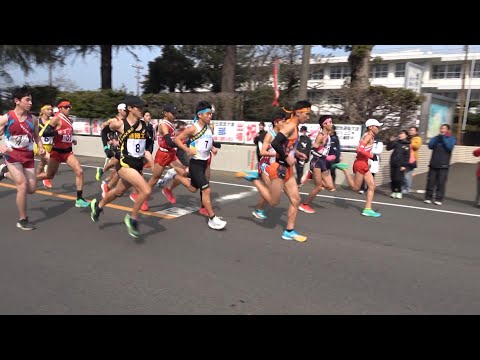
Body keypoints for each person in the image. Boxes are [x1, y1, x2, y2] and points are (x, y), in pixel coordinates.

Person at [236, 100, 312, 242]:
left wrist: (297, 154)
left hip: (287, 169)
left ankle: (289, 231)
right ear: (298, 112)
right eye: (307, 114)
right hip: (278, 169)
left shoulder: (295, 126)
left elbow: (287, 147)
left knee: (296, 200)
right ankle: (254, 180)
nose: (308, 117)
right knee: (273, 202)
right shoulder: (290, 126)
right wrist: (285, 157)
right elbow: (276, 143)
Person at [90, 96, 155, 238]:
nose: (142, 111)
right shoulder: (118, 124)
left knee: (118, 192)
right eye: (139, 108)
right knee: (146, 190)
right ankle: (132, 219)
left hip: (137, 165)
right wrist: (107, 147)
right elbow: (104, 131)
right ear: (130, 108)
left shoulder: (144, 126)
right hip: (124, 164)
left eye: (143, 108)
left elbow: (146, 149)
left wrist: (152, 162)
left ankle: (98, 206)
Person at [172, 100, 227, 230]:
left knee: (193, 188)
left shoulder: (209, 127)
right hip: (196, 164)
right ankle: (212, 219)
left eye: (211, 113)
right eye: (208, 114)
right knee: (206, 189)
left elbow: (208, 140)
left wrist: (212, 148)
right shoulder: (193, 128)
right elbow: (177, 139)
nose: (210, 116)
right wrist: (187, 150)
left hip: (204, 163)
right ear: (200, 115)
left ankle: (177, 177)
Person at [0, 86, 45, 230]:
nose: (30, 102)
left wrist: (41, 147)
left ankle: (3, 172)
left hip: (28, 156)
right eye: (27, 100)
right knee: (22, 184)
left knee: (31, 189)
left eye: (31, 100)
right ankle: (23, 219)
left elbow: (37, 136)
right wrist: (2, 146)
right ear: (17, 101)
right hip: (12, 155)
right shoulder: (7, 118)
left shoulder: (34, 119)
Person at [36, 99, 90, 208]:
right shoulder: (56, 119)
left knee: (79, 171)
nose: (69, 108)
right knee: (49, 175)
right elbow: (45, 133)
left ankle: (79, 199)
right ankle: (32, 179)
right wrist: (58, 132)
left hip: (68, 152)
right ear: (60, 108)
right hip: (57, 152)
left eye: (70, 106)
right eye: (66, 107)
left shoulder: (69, 120)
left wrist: (71, 140)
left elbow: (67, 134)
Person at [298, 115, 347, 214]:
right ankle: (304, 205)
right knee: (319, 187)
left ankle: (310, 175)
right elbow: (314, 146)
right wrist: (321, 144)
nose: (331, 124)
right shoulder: (321, 135)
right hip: (317, 161)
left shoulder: (328, 135)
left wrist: (328, 157)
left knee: (330, 187)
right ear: (324, 124)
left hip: (323, 162)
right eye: (330, 122)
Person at [338, 118, 383, 217]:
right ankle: (344, 169)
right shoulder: (368, 136)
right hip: (360, 164)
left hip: (364, 164)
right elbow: (359, 150)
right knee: (355, 188)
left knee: (371, 186)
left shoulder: (369, 136)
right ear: (370, 127)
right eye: (377, 126)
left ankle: (367, 209)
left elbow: (362, 149)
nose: (378, 128)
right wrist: (372, 156)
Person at [252, 109, 286, 219]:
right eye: (282, 121)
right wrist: (276, 155)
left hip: (273, 166)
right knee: (271, 191)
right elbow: (262, 152)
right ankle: (253, 179)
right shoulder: (269, 135)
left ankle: (258, 209)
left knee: (269, 191)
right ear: (276, 123)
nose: (284, 124)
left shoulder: (281, 135)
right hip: (265, 165)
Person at [424, 124, 456, 206]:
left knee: (441, 183)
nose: (442, 129)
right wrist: (437, 138)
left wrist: (443, 138)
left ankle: (438, 199)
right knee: (430, 182)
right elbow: (430, 146)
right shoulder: (436, 138)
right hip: (433, 163)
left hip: (444, 165)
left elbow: (449, 147)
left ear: (448, 130)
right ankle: (428, 198)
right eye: (441, 128)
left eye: (444, 128)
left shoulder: (451, 138)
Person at [386, 130, 411, 199]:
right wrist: (390, 141)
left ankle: (399, 191)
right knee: (393, 178)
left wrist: (404, 165)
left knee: (398, 179)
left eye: (402, 134)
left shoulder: (407, 145)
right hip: (393, 162)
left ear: (406, 135)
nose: (400, 135)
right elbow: (388, 148)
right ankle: (393, 191)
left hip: (400, 164)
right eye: (400, 134)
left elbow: (407, 156)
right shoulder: (396, 142)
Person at [35, 104, 54, 189]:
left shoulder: (53, 122)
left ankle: (34, 180)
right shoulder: (36, 121)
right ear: (42, 111)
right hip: (39, 146)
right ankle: (46, 178)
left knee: (41, 165)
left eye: (51, 110)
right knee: (52, 160)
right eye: (48, 109)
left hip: (50, 146)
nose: (50, 111)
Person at [403, 126, 422, 193]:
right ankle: (404, 187)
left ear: (416, 131)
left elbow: (416, 146)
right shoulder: (407, 137)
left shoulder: (417, 138)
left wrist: (409, 142)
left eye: (413, 130)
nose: (411, 131)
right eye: (410, 130)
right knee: (403, 174)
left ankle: (407, 188)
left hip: (412, 159)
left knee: (407, 175)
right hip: (404, 158)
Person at [328, 124, 341, 190]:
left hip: (333, 157)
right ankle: (326, 184)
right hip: (326, 156)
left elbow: (338, 148)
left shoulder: (335, 138)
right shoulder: (327, 137)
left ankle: (333, 185)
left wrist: (338, 157)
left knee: (332, 171)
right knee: (325, 171)